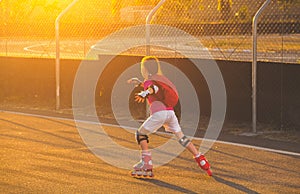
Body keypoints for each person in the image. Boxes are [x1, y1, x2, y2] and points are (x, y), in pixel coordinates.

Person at [129, 56, 212, 177]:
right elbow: (154, 86)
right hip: (170, 114)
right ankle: (201, 160)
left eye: (142, 67)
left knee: (140, 134)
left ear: (145, 69)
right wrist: (140, 84)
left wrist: (145, 92)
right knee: (181, 138)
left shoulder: (151, 82)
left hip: (160, 114)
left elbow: (154, 88)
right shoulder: (160, 78)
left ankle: (146, 163)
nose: (141, 69)